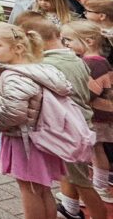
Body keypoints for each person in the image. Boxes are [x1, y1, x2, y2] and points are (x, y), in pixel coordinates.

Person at [18, 13, 108, 218]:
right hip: (76, 126)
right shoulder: (73, 58)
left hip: (69, 131)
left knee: (83, 183)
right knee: (72, 176)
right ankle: (71, 209)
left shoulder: (51, 65)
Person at [0, 22, 73, 219]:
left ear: (18, 48)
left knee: (29, 190)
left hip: (24, 140)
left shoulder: (15, 75)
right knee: (42, 189)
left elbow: (14, 113)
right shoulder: (37, 68)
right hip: (41, 137)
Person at [62, 20, 113, 210]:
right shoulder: (99, 60)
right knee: (96, 150)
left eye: (69, 40)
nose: (65, 44)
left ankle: (98, 187)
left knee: (94, 151)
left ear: (89, 41)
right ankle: (99, 185)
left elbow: (89, 92)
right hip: (102, 113)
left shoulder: (91, 63)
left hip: (96, 115)